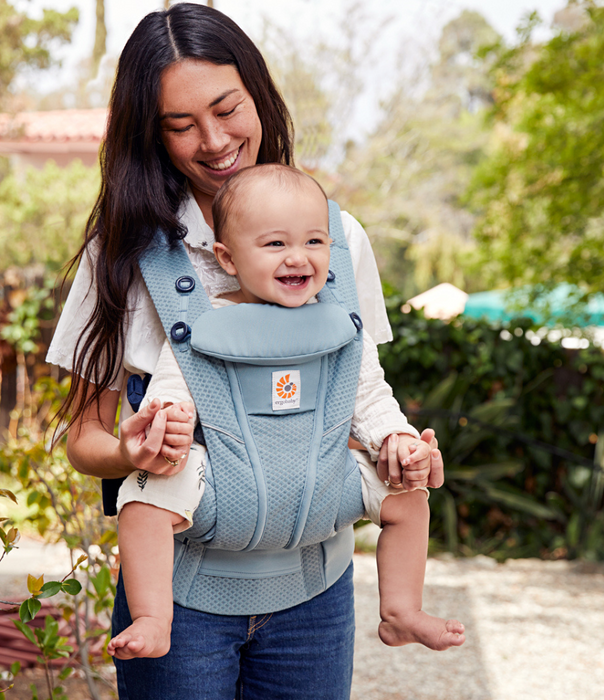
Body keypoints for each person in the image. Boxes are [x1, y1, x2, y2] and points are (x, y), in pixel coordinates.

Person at [47, 4, 446, 699]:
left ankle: (401, 607)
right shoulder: (122, 255)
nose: (213, 140)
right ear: (151, 134)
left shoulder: (338, 235)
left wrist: (402, 447)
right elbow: (83, 437)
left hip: (314, 594)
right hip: (184, 594)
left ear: (259, 92)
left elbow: (360, 390)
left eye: (228, 108)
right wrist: (132, 452)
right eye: (180, 125)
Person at [106, 164, 465, 660]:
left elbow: (371, 399)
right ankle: (153, 615)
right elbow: (169, 395)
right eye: (276, 245)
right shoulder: (202, 326)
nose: (298, 257)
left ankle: (402, 609)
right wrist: (169, 425)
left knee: (407, 493)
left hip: (324, 487)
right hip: (224, 490)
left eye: (315, 242)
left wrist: (398, 441)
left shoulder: (343, 326)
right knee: (141, 500)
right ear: (228, 258)